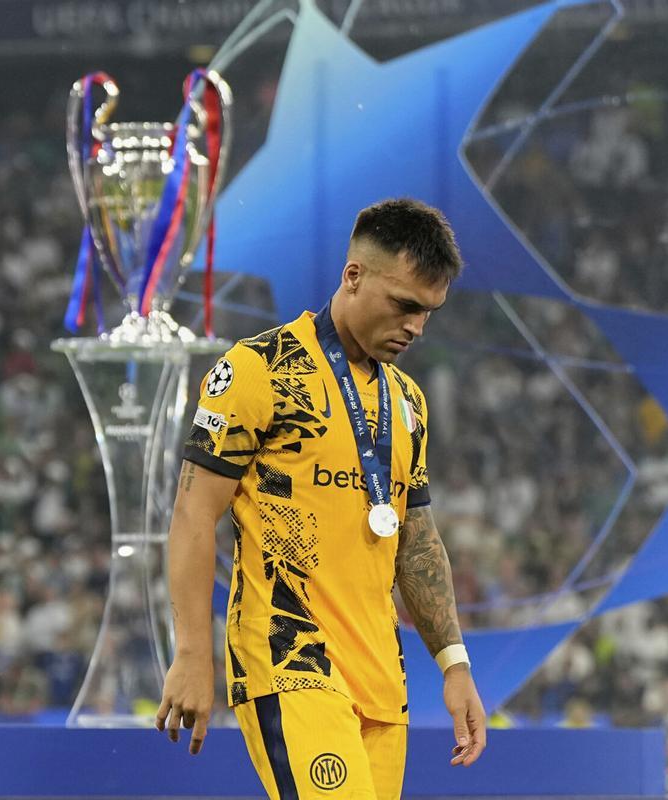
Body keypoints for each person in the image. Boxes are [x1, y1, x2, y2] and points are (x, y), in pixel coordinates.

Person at [156, 198, 486, 798]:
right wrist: (191, 653)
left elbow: (415, 536)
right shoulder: (260, 371)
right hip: (289, 658)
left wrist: (454, 663)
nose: (415, 326)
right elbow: (193, 513)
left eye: (429, 312)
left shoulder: (408, 403)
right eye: (405, 305)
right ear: (353, 275)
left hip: (382, 678)